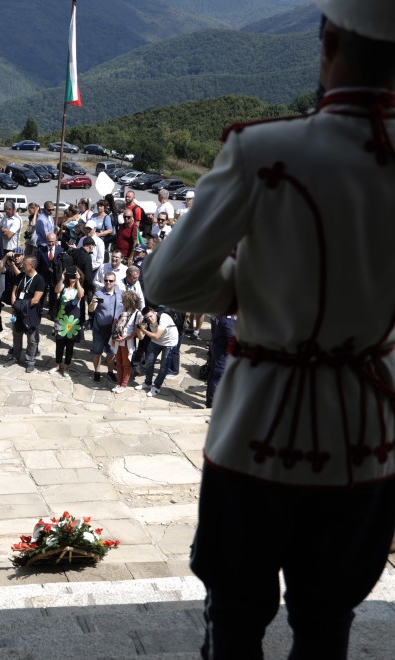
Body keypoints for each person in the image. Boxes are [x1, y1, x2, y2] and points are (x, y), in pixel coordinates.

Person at [143, 4, 395, 657]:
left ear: (329, 41)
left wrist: (250, 284)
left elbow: (167, 283)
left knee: (234, 618)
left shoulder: (263, 150)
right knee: (327, 623)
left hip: (259, 431)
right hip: (367, 438)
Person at [6, 256, 45, 373]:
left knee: (32, 339)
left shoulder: (39, 280)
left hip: (31, 312)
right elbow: (14, 292)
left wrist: (20, 305)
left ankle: (30, 361)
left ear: (32, 266)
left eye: (25, 264)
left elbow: (35, 300)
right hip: (18, 311)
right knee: (17, 335)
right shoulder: (20, 276)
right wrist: (14, 305)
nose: (22, 265)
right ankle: (15, 357)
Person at [135, 304, 179, 398]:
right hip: (156, 341)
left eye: (151, 316)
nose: (150, 319)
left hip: (169, 342)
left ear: (154, 313)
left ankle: (157, 387)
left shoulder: (163, 317)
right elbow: (141, 337)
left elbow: (156, 336)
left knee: (164, 366)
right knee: (149, 361)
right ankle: (147, 383)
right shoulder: (145, 321)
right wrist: (139, 327)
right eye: (147, 317)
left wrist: (143, 329)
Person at [50, 266, 84, 379]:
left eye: (75, 274)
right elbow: (56, 290)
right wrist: (62, 277)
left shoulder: (79, 287)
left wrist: (78, 281)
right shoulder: (64, 287)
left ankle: (66, 367)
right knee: (59, 344)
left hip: (73, 322)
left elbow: (81, 294)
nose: (72, 277)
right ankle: (57, 365)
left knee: (70, 346)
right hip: (61, 320)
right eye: (71, 274)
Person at [90, 271, 122, 383]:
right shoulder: (98, 294)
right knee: (97, 352)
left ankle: (110, 372)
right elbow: (91, 310)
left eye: (111, 280)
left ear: (115, 281)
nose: (108, 282)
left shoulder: (120, 294)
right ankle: (97, 372)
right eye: (106, 280)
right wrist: (92, 304)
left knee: (111, 353)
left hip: (113, 330)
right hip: (99, 328)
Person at [109, 291, 141, 394]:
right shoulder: (120, 309)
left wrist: (126, 338)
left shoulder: (137, 313)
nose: (122, 302)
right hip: (117, 340)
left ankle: (123, 384)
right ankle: (119, 383)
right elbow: (115, 322)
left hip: (127, 342)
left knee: (126, 363)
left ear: (130, 301)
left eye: (124, 300)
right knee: (118, 362)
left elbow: (136, 331)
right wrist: (114, 335)